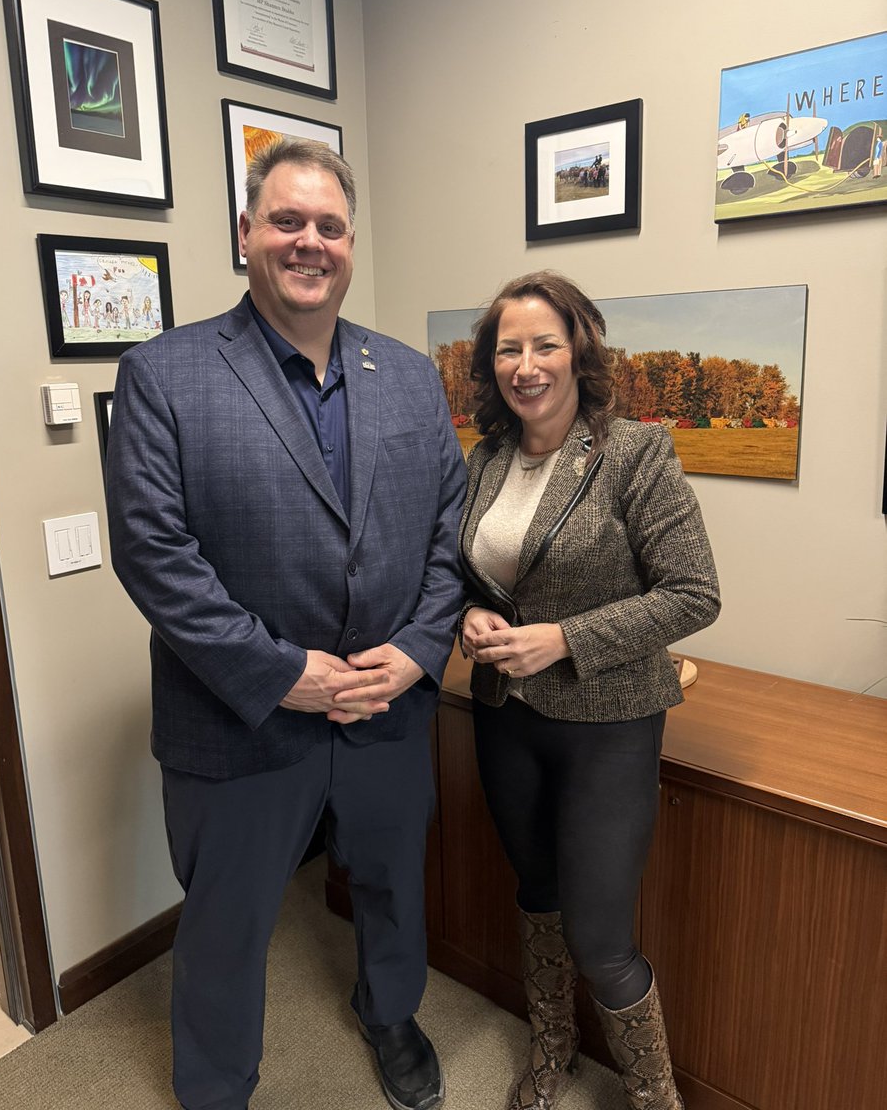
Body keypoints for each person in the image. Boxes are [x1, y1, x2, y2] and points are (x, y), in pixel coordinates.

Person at [106, 139, 466, 1110]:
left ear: (352, 244)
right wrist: (279, 673)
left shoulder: (407, 376)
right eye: (287, 221)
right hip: (241, 720)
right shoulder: (164, 375)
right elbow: (154, 554)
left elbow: (449, 528)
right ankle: (218, 1085)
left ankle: (391, 1013)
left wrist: (417, 650)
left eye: (330, 226)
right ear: (245, 234)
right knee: (227, 923)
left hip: (386, 709)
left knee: (392, 886)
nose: (309, 241)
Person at [458, 271, 720, 1110]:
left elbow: (693, 593)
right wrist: (470, 614)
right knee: (534, 898)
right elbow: (472, 572)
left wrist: (567, 638)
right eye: (509, 349)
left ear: (578, 351)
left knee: (600, 935)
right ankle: (553, 1053)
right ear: (490, 364)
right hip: (505, 715)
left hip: (609, 720)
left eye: (544, 344)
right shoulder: (487, 459)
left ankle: (654, 1097)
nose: (526, 364)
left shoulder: (634, 452)